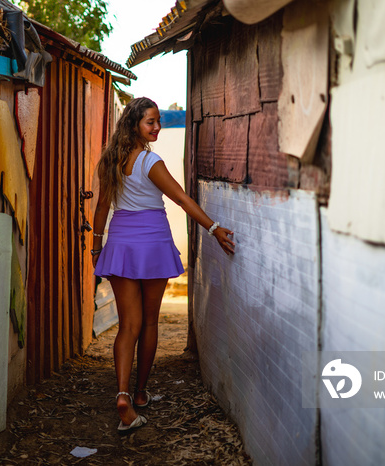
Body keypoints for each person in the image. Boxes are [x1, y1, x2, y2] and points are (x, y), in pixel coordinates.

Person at [91, 97, 235, 433]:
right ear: (135, 125)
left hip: (122, 245)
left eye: (157, 121)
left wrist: (96, 248)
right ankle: (139, 394)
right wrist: (214, 229)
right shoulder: (150, 162)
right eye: (150, 122)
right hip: (152, 243)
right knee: (149, 322)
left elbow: (101, 208)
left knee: (129, 325)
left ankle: (123, 393)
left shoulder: (112, 161)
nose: (156, 127)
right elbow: (182, 199)